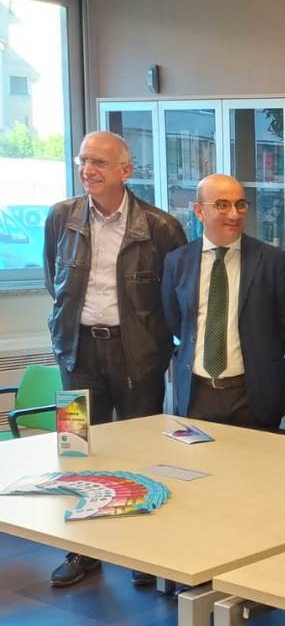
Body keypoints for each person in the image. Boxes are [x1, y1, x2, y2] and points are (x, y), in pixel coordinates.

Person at [43, 131, 186, 587]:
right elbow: (55, 282)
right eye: (83, 160)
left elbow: (175, 297)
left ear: (126, 170)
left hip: (137, 353)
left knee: (140, 451)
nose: (88, 170)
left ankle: (143, 552)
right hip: (76, 351)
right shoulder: (61, 217)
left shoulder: (160, 227)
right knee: (75, 449)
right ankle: (82, 550)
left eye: (99, 163)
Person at [161, 174, 285, 430]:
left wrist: (260, 353)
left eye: (240, 205)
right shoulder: (178, 262)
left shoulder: (272, 261)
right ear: (199, 211)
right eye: (222, 205)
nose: (234, 214)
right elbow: (174, 321)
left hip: (253, 396)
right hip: (197, 393)